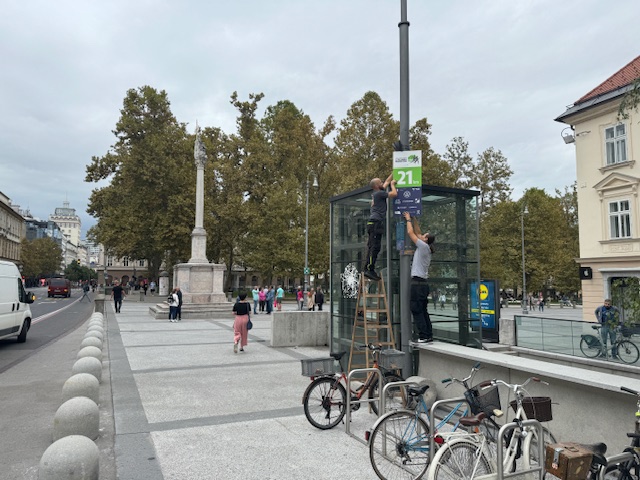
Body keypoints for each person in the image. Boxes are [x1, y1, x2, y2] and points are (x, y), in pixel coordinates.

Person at [403, 211, 436, 343]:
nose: (421, 235)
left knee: (416, 310)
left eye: (424, 235)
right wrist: (414, 218)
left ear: (425, 239)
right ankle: (428, 334)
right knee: (422, 310)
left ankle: (424, 335)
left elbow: (411, 233)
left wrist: (408, 220)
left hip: (417, 283)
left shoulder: (423, 246)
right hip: (422, 284)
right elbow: (417, 232)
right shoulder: (425, 247)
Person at [363, 174, 397, 280]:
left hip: (373, 223)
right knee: (375, 247)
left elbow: (386, 181)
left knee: (372, 247)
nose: (383, 183)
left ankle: (368, 268)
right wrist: (393, 185)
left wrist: (394, 172)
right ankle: (369, 269)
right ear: (377, 186)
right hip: (375, 223)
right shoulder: (379, 194)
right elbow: (394, 193)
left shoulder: (377, 193)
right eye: (380, 182)